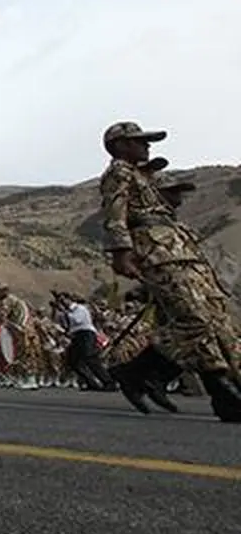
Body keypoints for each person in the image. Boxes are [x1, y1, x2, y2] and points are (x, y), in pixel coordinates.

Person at [98, 121, 240, 422]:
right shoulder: (118, 173)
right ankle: (218, 390)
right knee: (195, 320)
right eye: (139, 141)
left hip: (176, 251)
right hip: (156, 253)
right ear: (120, 145)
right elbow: (114, 213)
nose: (147, 146)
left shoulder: (140, 176)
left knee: (213, 320)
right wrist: (121, 253)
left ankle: (147, 374)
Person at [55, 293, 117, 393]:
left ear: (69, 299)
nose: (62, 303)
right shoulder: (66, 312)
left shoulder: (80, 309)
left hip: (86, 334)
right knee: (72, 361)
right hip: (76, 336)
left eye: (63, 300)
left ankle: (109, 382)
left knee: (90, 358)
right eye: (60, 301)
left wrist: (65, 312)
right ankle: (91, 382)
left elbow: (78, 320)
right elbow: (65, 325)